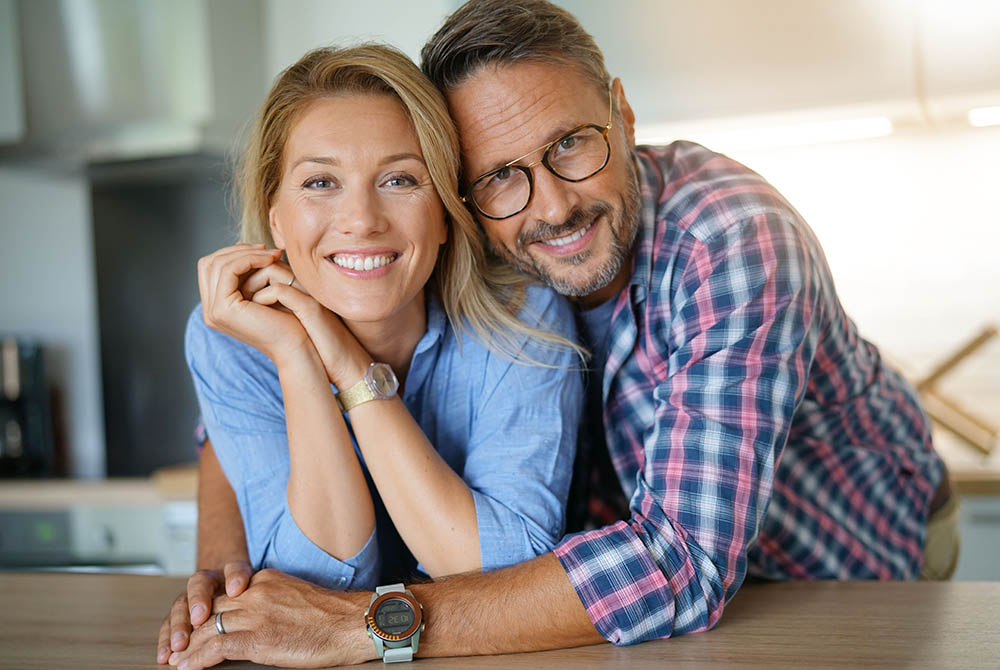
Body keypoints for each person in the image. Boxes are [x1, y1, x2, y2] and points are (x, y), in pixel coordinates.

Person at [165, 2, 959, 668]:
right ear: (463, 195)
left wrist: (366, 625)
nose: (550, 206)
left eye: (571, 143)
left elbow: (682, 563)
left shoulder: (729, 239)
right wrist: (224, 574)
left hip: (839, 569)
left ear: (623, 113)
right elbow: (234, 421)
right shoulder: (465, 256)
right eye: (500, 174)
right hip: (623, 600)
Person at [155, 42, 584, 667]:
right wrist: (297, 355)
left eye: (400, 180)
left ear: (444, 213)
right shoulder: (230, 336)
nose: (361, 219)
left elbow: (504, 571)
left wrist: (348, 364)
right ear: (277, 219)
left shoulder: (522, 315)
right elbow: (308, 582)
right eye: (320, 182)